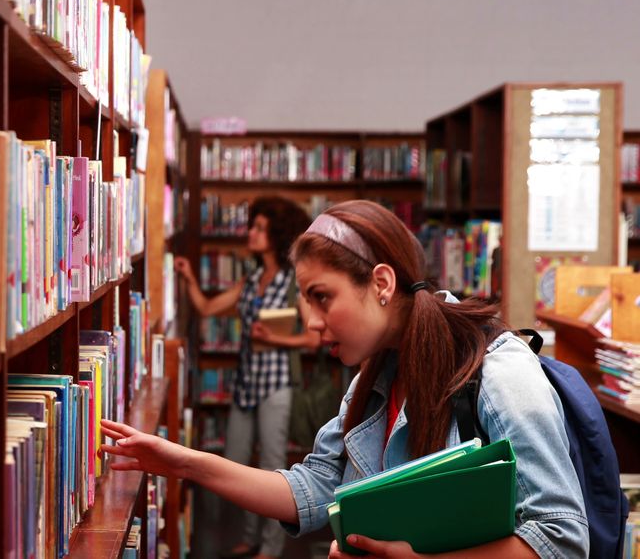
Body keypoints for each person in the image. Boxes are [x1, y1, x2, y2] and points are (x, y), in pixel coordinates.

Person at [103, 200, 588, 558]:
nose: (311, 322)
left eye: (322, 297)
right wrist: (185, 463)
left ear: (381, 283)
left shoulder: (499, 372)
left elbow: (562, 537)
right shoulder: (375, 376)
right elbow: (315, 488)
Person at [173, 196, 318, 559]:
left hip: (277, 385)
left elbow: (314, 339)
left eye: (259, 228)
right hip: (245, 385)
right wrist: (189, 278)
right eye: (252, 226)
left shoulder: (292, 282)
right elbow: (207, 308)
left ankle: (269, 547)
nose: (250, 233)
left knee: (273, 467)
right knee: (236, 460)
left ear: (276, 236)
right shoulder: (251, 279)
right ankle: (249, 536)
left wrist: (276, 338)